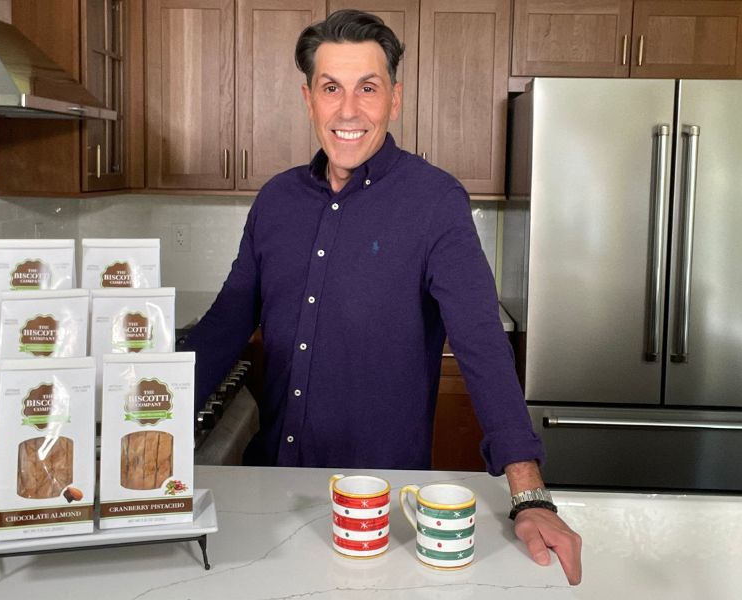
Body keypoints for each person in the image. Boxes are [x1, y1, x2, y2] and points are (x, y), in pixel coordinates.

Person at [186, 9, 582, 584]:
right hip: (271, 488)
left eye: (367, 88)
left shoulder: (435, 202)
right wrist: (135, 425)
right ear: (309, 99)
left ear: (394, 99)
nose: (348, 110)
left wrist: (529, 493)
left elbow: (480, 342)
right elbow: (223, 328)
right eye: (331, 89)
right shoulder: (276, 201)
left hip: (380, 503)